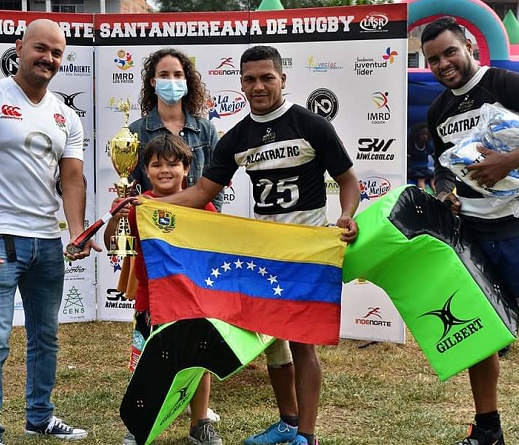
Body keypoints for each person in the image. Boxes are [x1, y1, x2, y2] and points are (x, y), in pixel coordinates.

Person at [153, 45, 359, 445]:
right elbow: (200, 194)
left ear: (283, 79)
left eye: (267, 77)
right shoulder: (237, 137)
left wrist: (347, 213)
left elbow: (349, 180)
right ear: (241, 83)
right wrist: (149, 204)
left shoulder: (311, 124)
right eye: (250, 79)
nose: (258, 86)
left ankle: (308, 435)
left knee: (302, 343)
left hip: (305, 251)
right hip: (265, 251)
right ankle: (287, 421)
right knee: (274, 342)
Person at [421, 17, 519, 445]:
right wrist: (446, 190)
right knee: (481, 335)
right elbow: (440, 167)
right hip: (471, 235)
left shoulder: (503, 82)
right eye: (432, 58)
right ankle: (488, 429)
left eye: (450, 52)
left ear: (469, 45)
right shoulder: (439, 110)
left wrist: (508, 161)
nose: (443, 63)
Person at [0, 19, 96, 445]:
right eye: (40, 48)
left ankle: (39, 417)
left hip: (47, 244)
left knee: (45, 338)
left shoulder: (66, 115)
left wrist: (77, 232)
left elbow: (71, 180)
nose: (47, 58)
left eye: (56, 53)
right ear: (20, 47)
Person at [105, 134, 222, 445]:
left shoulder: (202, 206)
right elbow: (112, 245)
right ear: (145, 169)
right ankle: (139, 425)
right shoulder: (138, 206)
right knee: (149, 367)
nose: (165, 170)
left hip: (193, 302)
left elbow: (217, 248)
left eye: (173, 164)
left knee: (198, 364)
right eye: (156, 165)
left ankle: (200, 423)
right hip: (152, 303)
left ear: (187, 169)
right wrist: (117, 215)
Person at [128, 47, 222, 212]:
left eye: (178, 75)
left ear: (186, 81)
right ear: (153, 82)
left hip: (196, 226)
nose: (172, 80)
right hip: (154, 227)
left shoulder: (206, 130)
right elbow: (132, 189)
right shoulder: (135, 131)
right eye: (164, 75)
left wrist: (211, 223)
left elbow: (216, 186)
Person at [407, 122, 435, 190]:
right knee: (421, 178)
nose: (425, 136)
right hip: (413, 168)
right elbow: (406, 160)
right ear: (416, 135)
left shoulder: (429, 146)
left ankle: (437, 194)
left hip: (424, 168)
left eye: (426, 134)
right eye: (422, 134)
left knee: (433, 177)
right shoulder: (410, 147)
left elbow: (435, 157)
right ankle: (423, 194)